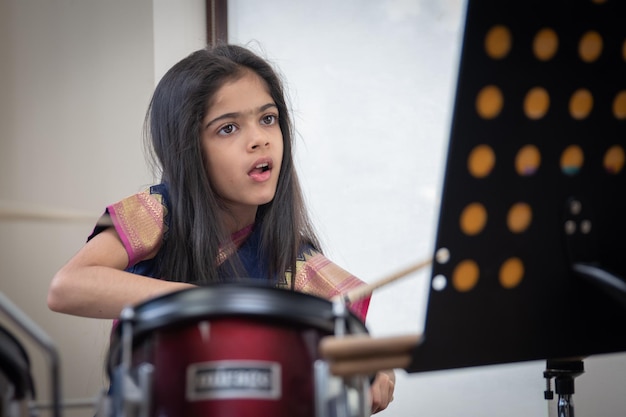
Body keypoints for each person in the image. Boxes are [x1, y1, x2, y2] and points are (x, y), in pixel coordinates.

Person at [47, 44, 395, 413]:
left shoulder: (296, 261)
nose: (260, 138)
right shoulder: (156, 210)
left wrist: (376, 372)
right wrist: (205, 306)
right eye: (228, 128)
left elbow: (360, 349)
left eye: (268, 118)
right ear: (189, 149)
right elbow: (67, 287)